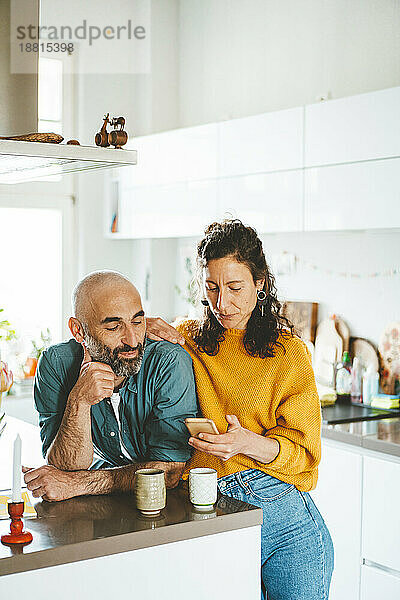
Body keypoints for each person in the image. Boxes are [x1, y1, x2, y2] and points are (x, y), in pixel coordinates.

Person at [148, 220, 334, 600]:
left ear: (260, 283)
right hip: (209, 504)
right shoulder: (189, 338)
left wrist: (246, 443)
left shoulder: (288, 353)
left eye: (235, 288)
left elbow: (304, 454)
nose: (222, 303)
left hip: (286, 523)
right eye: (212, 288)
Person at [24, 271, 197, 502]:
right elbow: (64, 467)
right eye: (114, 327)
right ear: (79, 331)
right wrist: (80, 401)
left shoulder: (168, 361)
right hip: (113, 502)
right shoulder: (56, 363)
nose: (133, 340)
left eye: (137, 321)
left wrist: (81, 483)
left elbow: (168, 472)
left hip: (167, 503)